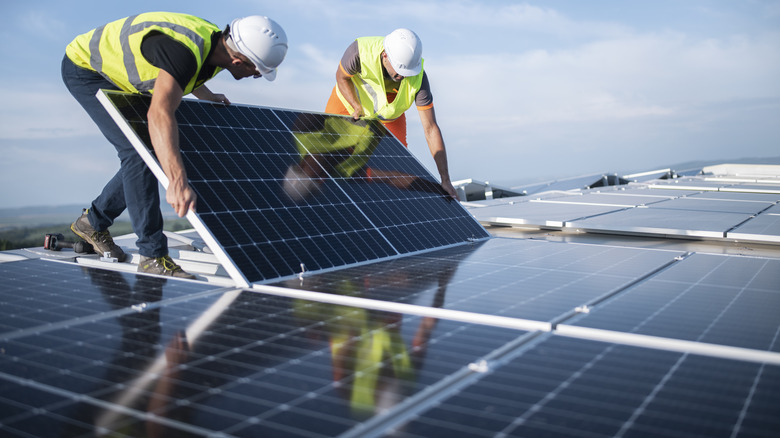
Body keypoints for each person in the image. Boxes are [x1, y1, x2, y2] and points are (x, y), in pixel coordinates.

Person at [62, 12, 288, 278]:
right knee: (139, 153)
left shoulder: (218, 45)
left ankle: (93, 222)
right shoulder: (185, 50)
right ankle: (152, 256)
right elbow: (159, 113)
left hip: (121, 77)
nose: (257, 76)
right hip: (87, 69)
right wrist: (177, 181)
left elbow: (183, 72)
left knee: (157, 150)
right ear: (239, 59)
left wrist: (206, 95)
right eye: (257, 70)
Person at [325, 28, 457, 198]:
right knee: (328, 158)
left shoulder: (419, 79)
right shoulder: (359, 51)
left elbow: (430, 128)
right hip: (348, 106)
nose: (402, 76)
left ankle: (382, 207)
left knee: (398, 165)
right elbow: (341, 77)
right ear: (385, 56)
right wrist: (356, 106)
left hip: (389, 115)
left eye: (407, 72)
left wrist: (445, 179)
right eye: (399, 70)